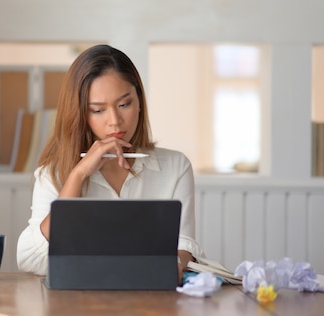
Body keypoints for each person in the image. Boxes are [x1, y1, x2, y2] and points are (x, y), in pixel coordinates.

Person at [16, 44, 205, 284]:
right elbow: (30, 260)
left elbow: (183, 245)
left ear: (139, 101)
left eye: (124, 104)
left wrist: (176, 263)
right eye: (98, 110)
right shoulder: (52, 174)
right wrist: (78, 176)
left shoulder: (176, 167)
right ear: (81, 114)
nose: (115, 122)